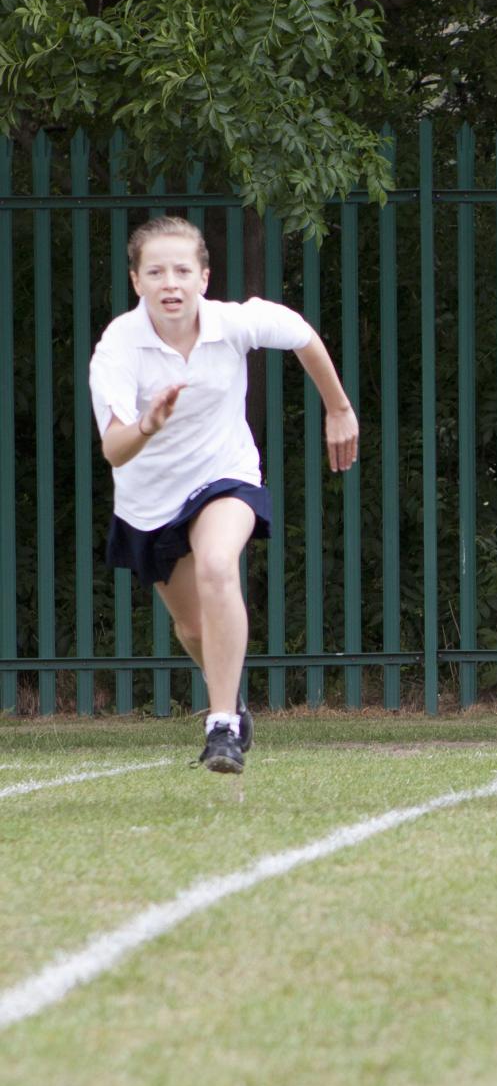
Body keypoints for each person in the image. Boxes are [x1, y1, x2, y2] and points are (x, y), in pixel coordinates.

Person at [88, 215, 359, 774]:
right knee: (191, 628)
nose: (171, 283)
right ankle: (229, 699)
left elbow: (302, 336)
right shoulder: (119, 347)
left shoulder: (233, 323)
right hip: (149, 499)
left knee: (216, 564)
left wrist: (337, 407)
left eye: (182, 270)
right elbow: (114, 450)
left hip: (224, 474)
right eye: (156, 271)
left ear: (204, 278)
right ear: (136, 281)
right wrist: (148, 424)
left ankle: (221, 729)